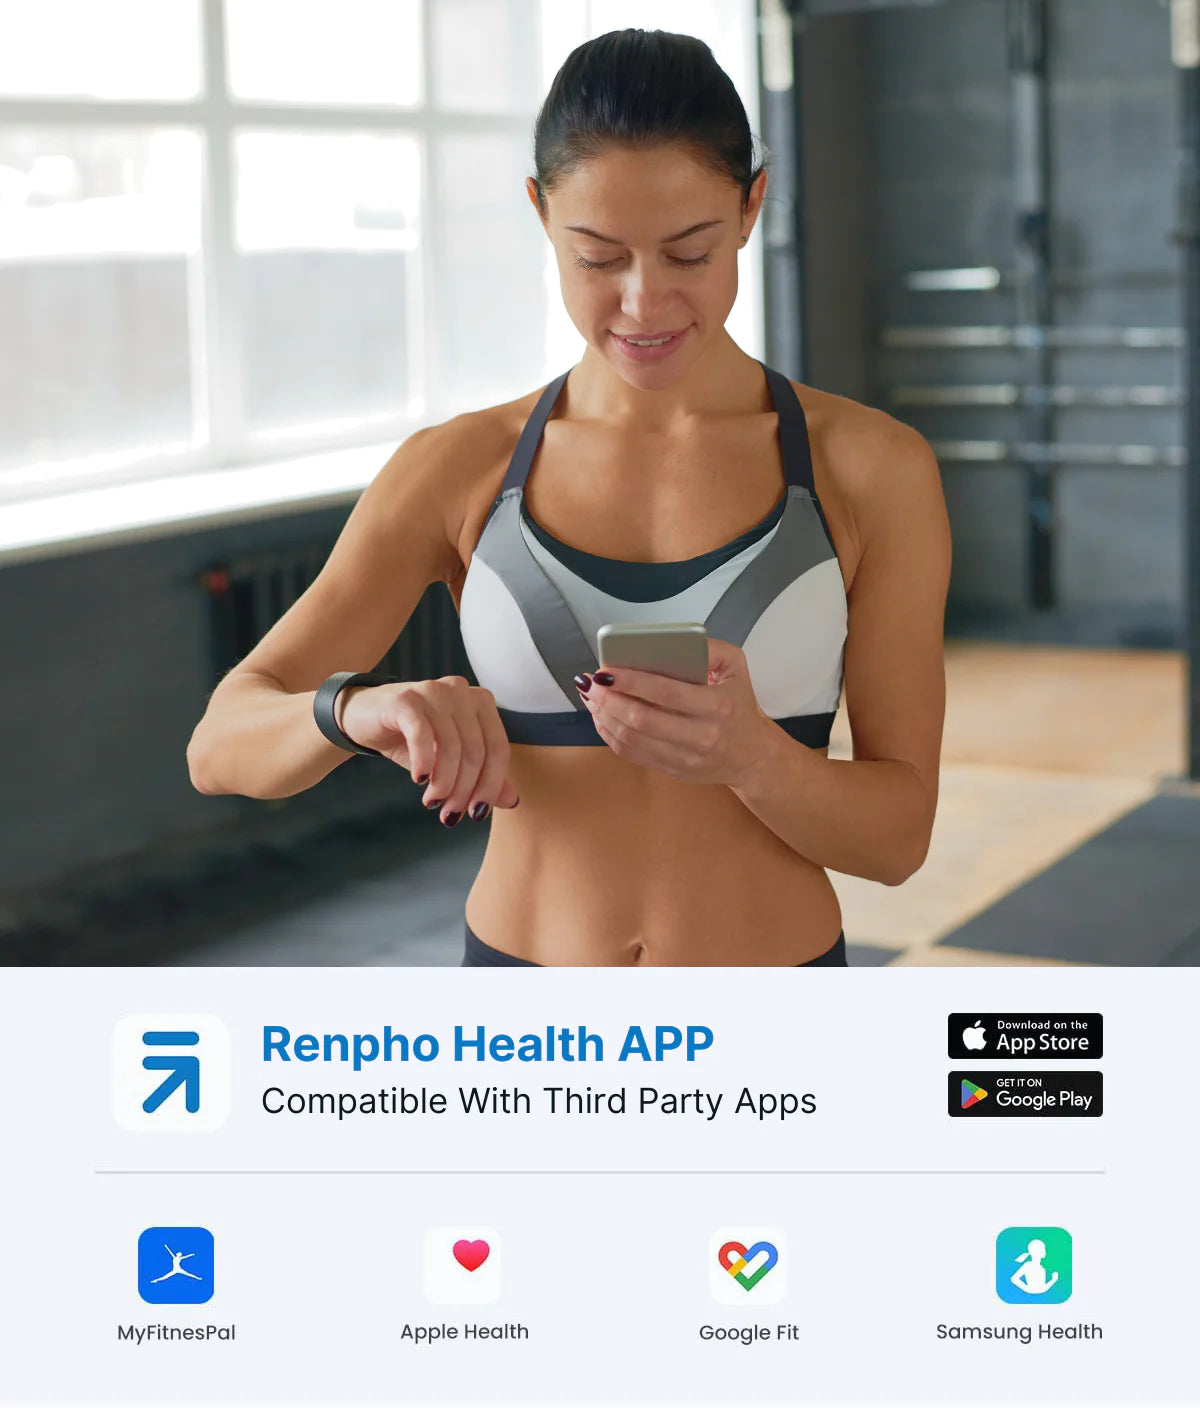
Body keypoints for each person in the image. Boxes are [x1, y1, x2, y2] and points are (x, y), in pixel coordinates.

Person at [186, 28, 951, 968]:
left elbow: (899, 838)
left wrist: (754, 757)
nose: (643, 302)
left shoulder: (872, 469)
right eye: (598, 258)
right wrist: (355, 713)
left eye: (688, 254)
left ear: (751, 207)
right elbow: (221, 742)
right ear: (541, 214)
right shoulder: (458, 468)